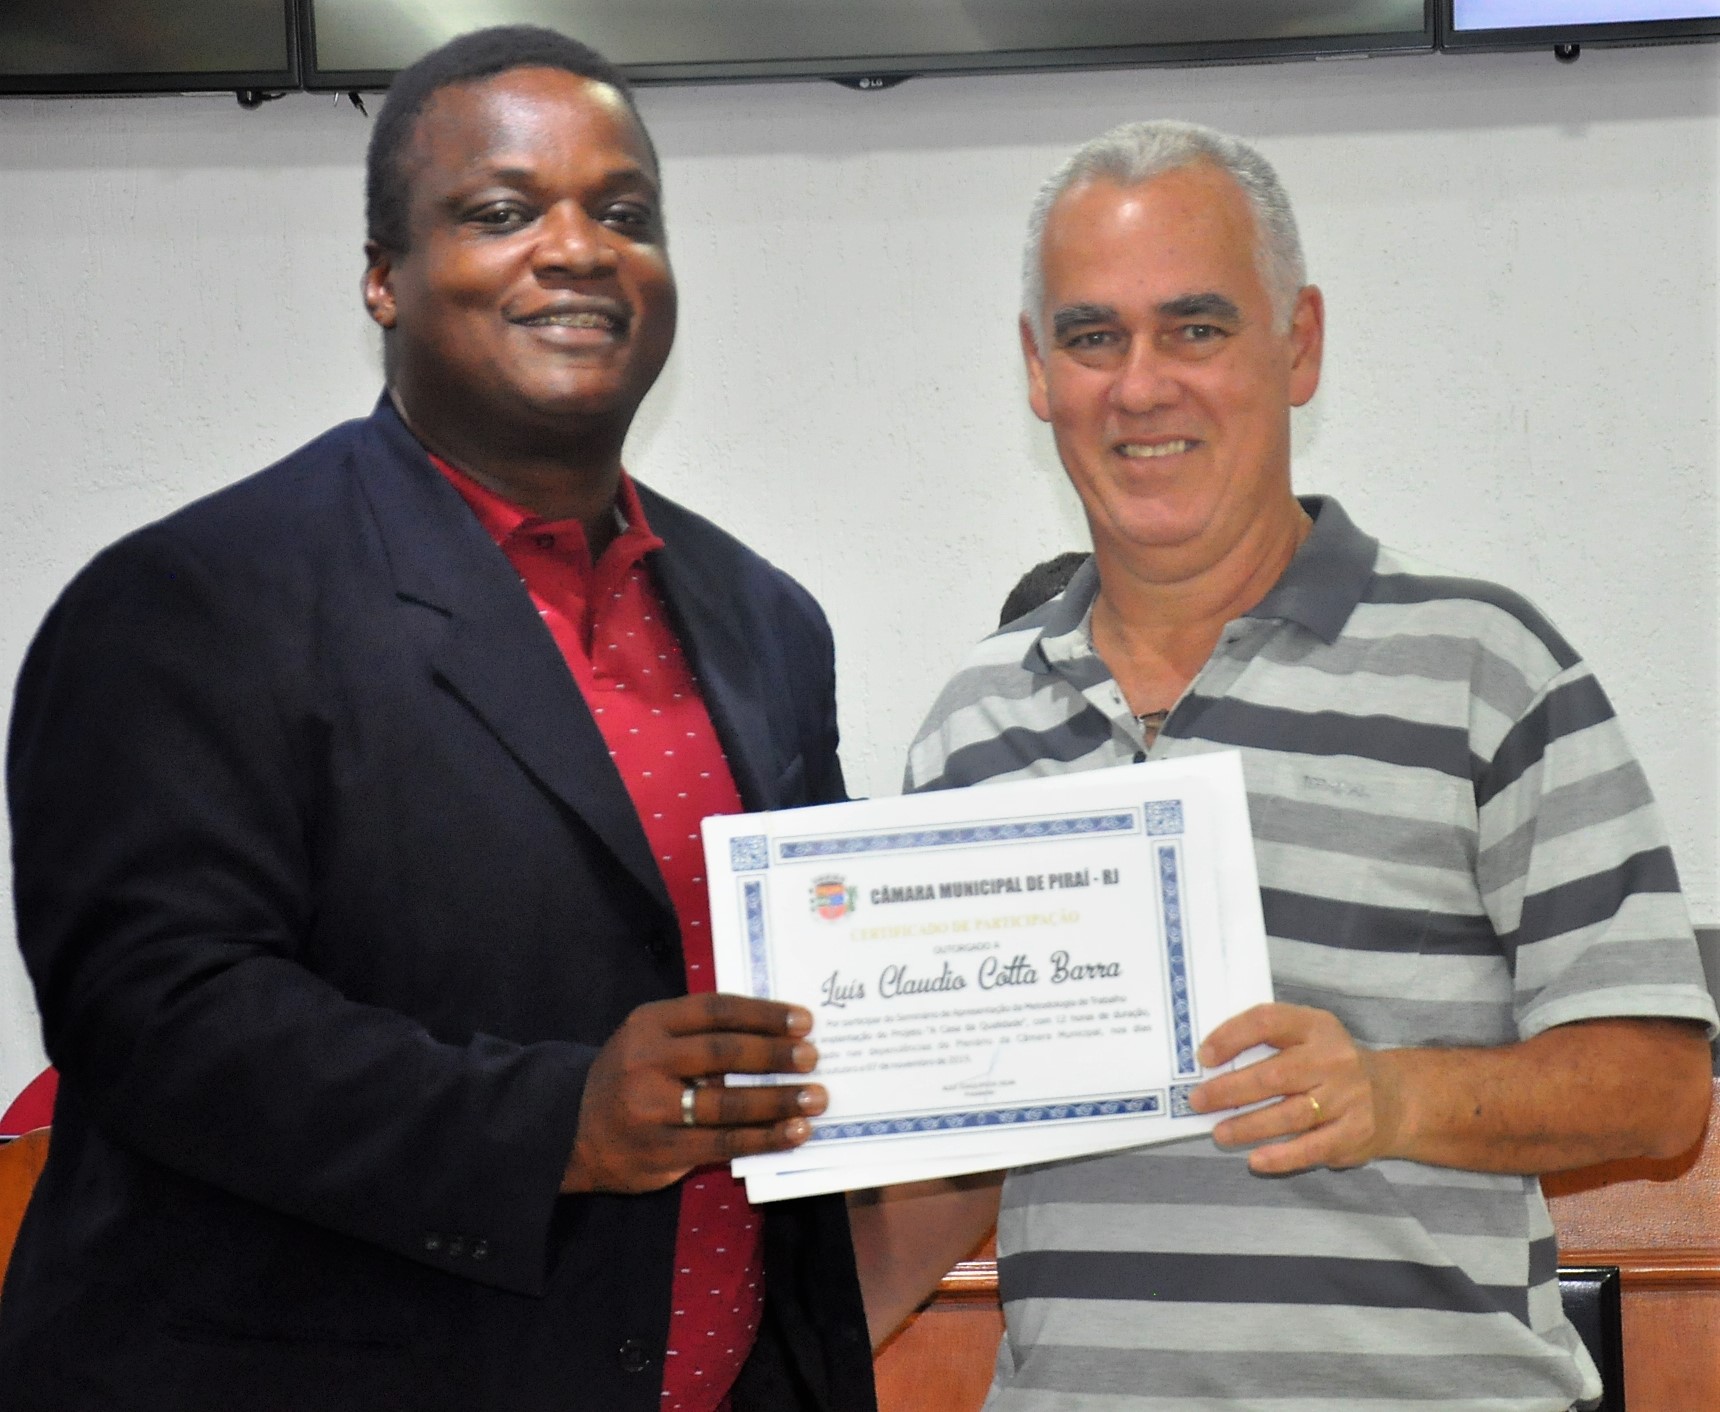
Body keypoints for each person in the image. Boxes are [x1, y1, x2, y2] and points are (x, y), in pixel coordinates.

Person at [0, 26, 873, 1412]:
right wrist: (558, 1124)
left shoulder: (766, 619)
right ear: (383, 277)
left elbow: (820, 982)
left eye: (625, 213)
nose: (579, 249)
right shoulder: (188, 601)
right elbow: (154, 1018)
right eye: (504, 211)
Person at [851, 121, 1717, 1410]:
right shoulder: (974, 722)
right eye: (1093, 337)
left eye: (1196, 328)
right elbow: (954, 1170)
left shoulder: (1486, 667)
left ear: (1297, 343)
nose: (1141, 385)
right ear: (1038, 370)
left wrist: (1389, 1096)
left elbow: (1660, 1093)